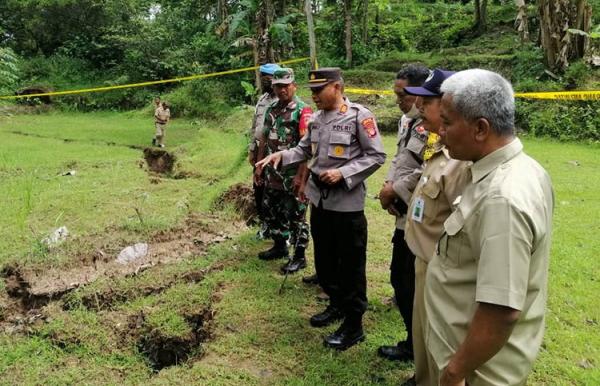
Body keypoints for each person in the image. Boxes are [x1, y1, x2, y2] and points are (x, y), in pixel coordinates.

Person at [425, 69, 554, 385]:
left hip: (476, 372)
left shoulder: (503, 198)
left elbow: (500, 309)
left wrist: (455, 372)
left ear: (480, 129)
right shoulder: (514, 169)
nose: (439, 131)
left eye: (448, 122)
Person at [256, 67, 386, 350]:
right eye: (312, 91)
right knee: (325, 261)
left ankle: (354, 325)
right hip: (321, 202)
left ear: (337, 87)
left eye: (319, 90)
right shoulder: (316, 120)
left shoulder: (358, 117)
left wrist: (344, 173)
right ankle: (336, 305)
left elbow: (377, 155)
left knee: (350, 266)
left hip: (347, 207)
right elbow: (303, 150)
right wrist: (280, 155)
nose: (313, 96)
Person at [401, 69, 472, 386]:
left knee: (440, 342)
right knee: (422, 335)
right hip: (423, 261)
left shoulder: (461, 160)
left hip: (443, 270)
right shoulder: (437, 144)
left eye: (426, 101)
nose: (417, 105)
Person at [376, 64, 430, 363]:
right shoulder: (407, 121)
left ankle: (418, 348)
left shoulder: (434, 125)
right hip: (404, 212)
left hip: (423, 215)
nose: (398, 99)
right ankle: (413, 343)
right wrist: (388, 186)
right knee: (401, 279)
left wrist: (395, 189)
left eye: (403, 94)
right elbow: (400, 159)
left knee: (411, 283)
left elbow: (429, 169)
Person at [255, 68, 313, 274]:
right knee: (272, 210)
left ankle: (299, 256)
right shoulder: (271, 108)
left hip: (292, 174)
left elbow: (307, 147)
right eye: (278, 86)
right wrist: (259, 164)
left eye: (286, 85)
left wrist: (302, 176)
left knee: (296, 215)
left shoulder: (303, 110)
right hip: (272, 172)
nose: (282, 90)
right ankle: (280, 245)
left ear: (293, 85)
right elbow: (264, 136)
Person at [249, 63, 281, 237]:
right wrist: (251, 150)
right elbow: (255, 128)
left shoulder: (282, 101)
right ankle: (265, 225)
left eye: (268, 79)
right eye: (263, 78)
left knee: (274, 191)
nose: (264, 82)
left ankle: (279, 228)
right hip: (259, 153)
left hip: (275, 153)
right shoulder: (262, 100)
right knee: (259, 188)